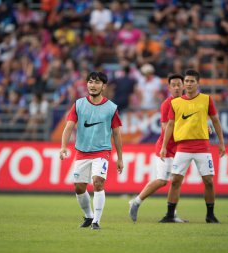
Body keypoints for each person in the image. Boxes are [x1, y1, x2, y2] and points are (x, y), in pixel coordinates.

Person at [59, 71, 124, 230]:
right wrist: (63, 147)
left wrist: (120, 158)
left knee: (98, 182)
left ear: (103, 86)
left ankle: (97, 221)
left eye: (96, 82)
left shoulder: (111, 108)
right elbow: (68, 127)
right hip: (82, 152)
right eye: (90, 82)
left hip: (102, 152)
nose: (92, 85)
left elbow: (116, 133)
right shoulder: (79, 104)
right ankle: (89, 216)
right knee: (79, 187)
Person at [159, 69, 225, 223]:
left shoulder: (207, 100)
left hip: (202, 147)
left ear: (198, 83)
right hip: (182, 148)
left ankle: (210, 215)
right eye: (186, 81)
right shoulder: (176, 103)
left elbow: (216, 121)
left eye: (191, 81)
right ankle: (170, 215)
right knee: (175, 181)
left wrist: (221, 143)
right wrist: (163, 146)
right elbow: (170, 125)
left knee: (208, 181)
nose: (188, 84)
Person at [128, 73, 187, 223]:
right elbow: (165, 126)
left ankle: (172, 214)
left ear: (183, 86)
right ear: (169, 88)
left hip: (180, 149)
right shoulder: (167, 104)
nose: (176, 88)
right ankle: (136, 202)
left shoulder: (188, 103)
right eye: (173, 85)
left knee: (176, 181)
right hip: (165, 147)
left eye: (179, 85)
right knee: (162, 180)